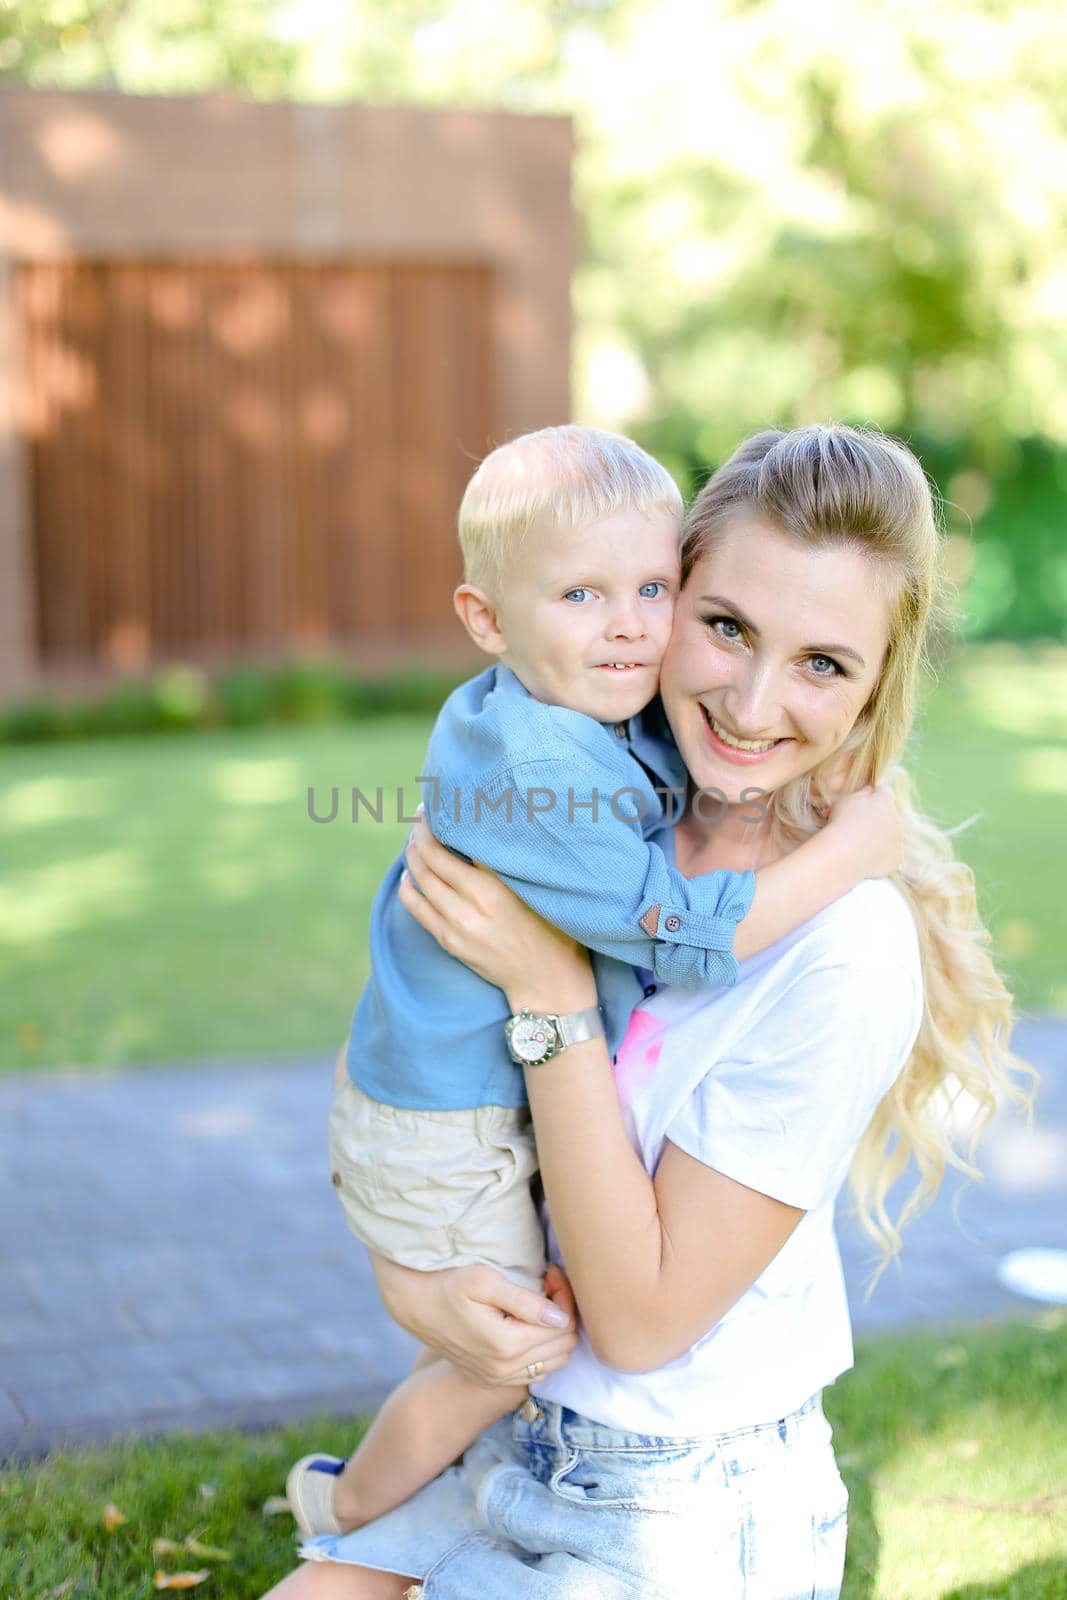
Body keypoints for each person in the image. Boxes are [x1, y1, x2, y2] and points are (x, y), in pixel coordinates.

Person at [265, 423, 1026, 1600]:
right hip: (515, 1436)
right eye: (723, 626)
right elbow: (455, 1131)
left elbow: (637, 1324)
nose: (752, 701)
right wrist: (429, 1297)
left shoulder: (845, 943)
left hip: (680, 1508)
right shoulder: (606, 813)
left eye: (823, 663)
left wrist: (551, 989)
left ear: (879, 682)